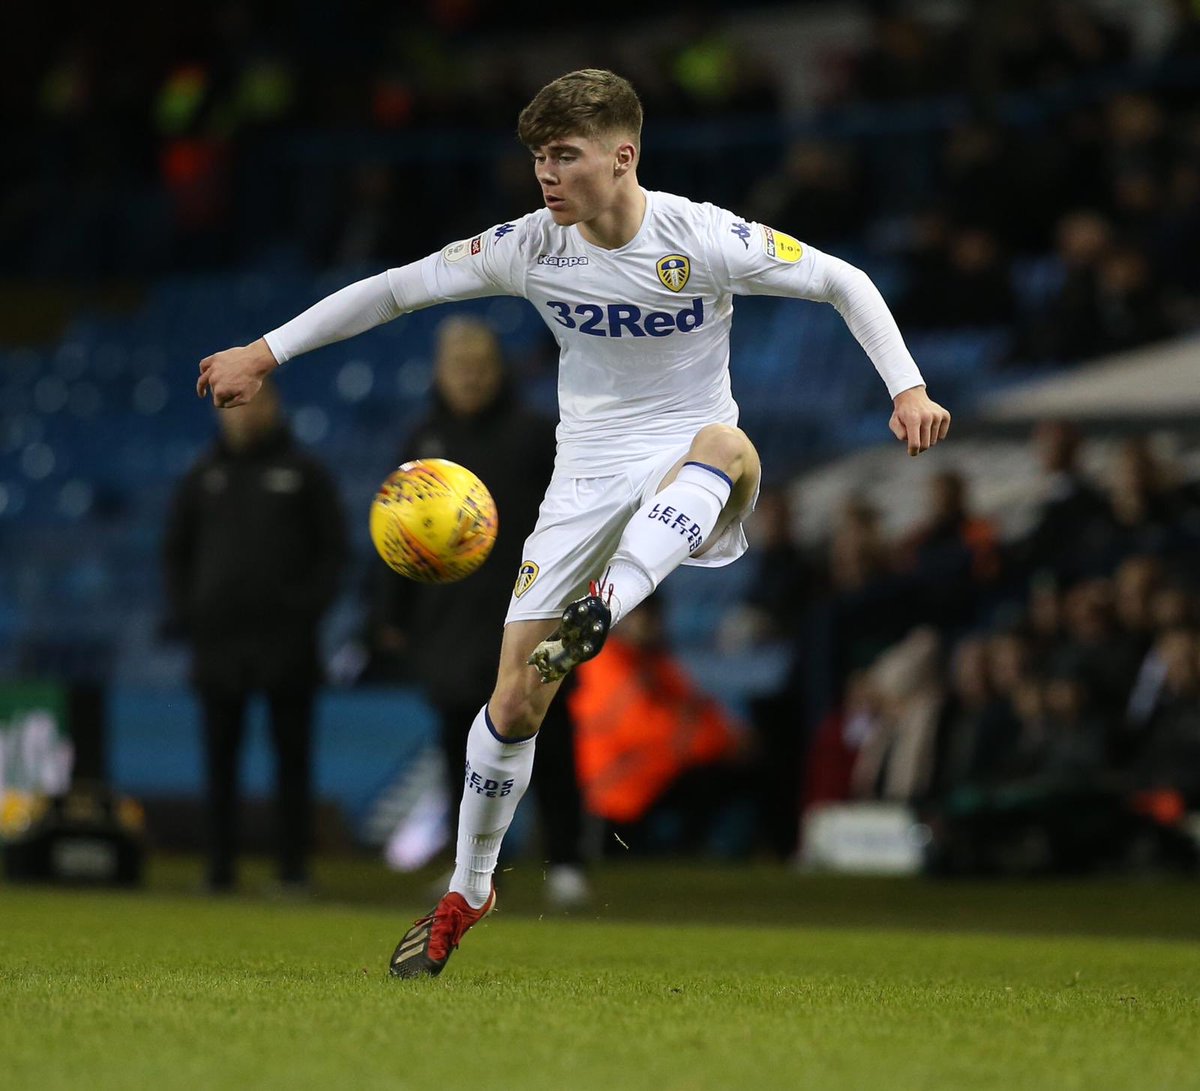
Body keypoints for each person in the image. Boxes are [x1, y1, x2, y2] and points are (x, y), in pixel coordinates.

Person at [195, 69, 950, 976]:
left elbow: (843, 280)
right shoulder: (529, 247)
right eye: (537, 158)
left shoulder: (703, 236)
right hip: (585, 477)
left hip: (695, 464)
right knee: (513, 701)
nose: (544, 175)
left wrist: (905, 387)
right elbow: (395, 290)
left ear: (622, 156)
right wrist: (264, 351)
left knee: (728, 441)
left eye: (563, 155)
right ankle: (468, 888)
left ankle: (608, 603)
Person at [367, 315, 591, 906]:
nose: (469, 378)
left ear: (499, 369)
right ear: (440, 374)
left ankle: (566, 860)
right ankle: (469, 868)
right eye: (457, 367)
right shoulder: (422, 443)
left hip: (534, 612)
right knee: (456, 747)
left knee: (551, 736)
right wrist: (389, 611)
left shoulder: (537, 435)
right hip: (449, 623)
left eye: (479, 365)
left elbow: (587, 516)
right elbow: (395, 531)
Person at [163, 377, 346, 892]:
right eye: (232, 406)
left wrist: (305, 610)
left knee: (292, 759)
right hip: (217, 644)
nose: (241, 414)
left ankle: (292, 871)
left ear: (274, 404)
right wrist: (191, 614)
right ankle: (219, 869)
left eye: (252, 402)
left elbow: (333, 553)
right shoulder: (202, 475)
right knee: (219, 761)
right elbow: (175, 551)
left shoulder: (305, 473)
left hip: (287, 644)